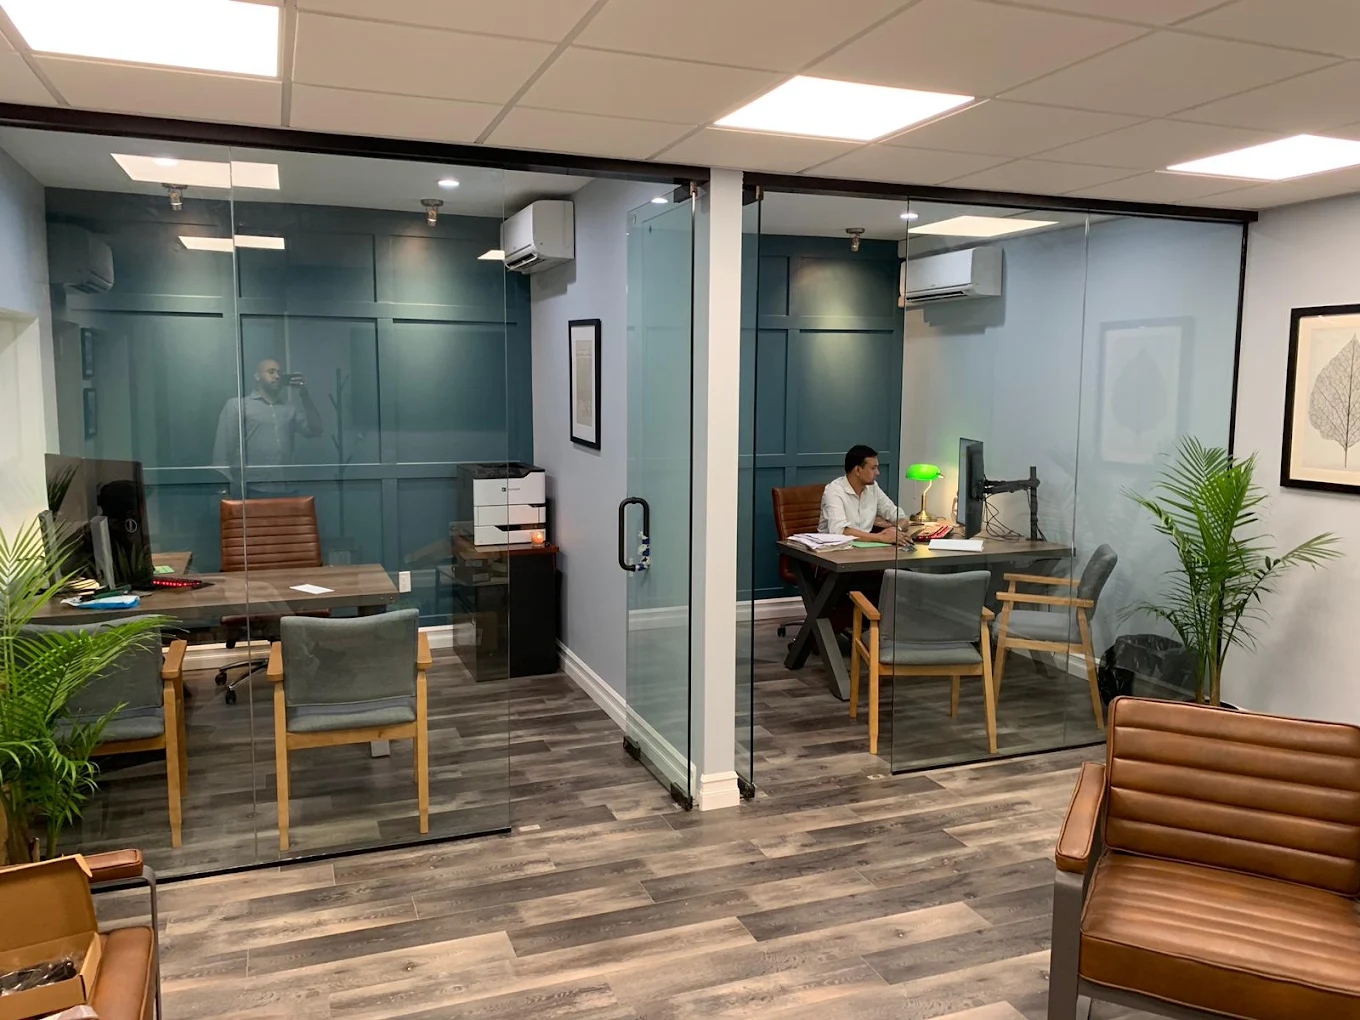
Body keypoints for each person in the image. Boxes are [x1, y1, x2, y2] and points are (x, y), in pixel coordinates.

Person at [213, 358, 322, 494]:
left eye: (279, 373)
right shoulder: (238, 406)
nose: (277, 376)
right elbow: (222, 450)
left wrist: (304, 394)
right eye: (271, 372)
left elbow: (316, 430)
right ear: (257, 376)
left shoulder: (289, 409)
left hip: (286, 487)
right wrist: (226, 489)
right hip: (249, 488)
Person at [820, 444, 910, 546]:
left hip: (864, 548)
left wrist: (895, 529)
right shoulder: (834, 490)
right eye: (873, 468)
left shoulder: (873, 488)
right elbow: (839, 531)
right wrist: (882, 537)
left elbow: (900, 516)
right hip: (834, 551)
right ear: (858, 470)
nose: (877, 473)